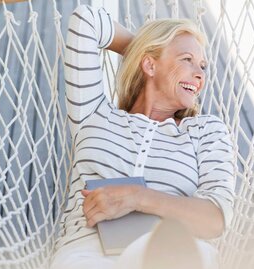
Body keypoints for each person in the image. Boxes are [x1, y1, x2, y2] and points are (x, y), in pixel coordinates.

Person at [51, 4, 235, 269]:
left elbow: (214, 218)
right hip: (89, 253)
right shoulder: (93, 114)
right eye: (187, 59)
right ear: (149, 64)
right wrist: (143, 51)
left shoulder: (205, 130)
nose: (200, 74)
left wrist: (137, 197)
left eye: (203, 66)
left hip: (171, 251)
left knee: (177, 252)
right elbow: (86, 21)